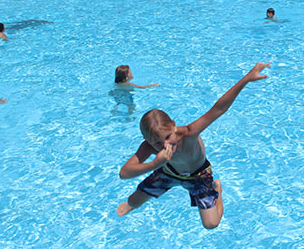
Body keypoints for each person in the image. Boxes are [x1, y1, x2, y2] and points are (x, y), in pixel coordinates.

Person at [116, 61, 271, 229]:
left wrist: (246, 79)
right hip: (169, 172)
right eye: (157, 143)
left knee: (211, 224)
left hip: (198, 175)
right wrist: (154, 164)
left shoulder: (189, 133)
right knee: (133, 201)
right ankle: (132, 204)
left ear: (174, 126)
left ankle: (217, 191)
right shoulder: (149, 146)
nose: (164, 145)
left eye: (168, 137)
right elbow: (124, 173)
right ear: (148, 141)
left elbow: (219, 108)